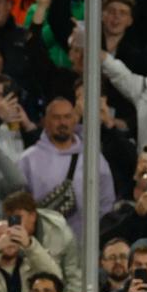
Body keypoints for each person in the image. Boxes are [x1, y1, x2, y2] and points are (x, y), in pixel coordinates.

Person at [19, 97, 116, 241]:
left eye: (67, 117)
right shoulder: (27, 159)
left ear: (74, 120)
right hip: (43, 246)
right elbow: (19, 206)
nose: (62, 123)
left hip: (87, 246)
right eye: (56, 118)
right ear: (45, 121)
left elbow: (106, 201)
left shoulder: (93, 157)